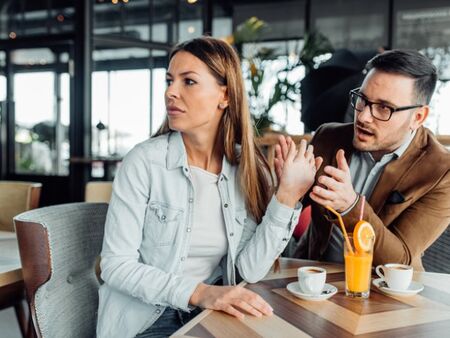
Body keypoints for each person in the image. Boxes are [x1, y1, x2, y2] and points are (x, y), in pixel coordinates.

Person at [96, 36, 321, 338]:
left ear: (224, 96)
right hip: (146, 316)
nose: (170, 92)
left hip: (211, 310)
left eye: (188, 81)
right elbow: (115, 266)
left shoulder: (248, 168)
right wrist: (200, 293)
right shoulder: (144, 162)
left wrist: (287, 197)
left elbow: (250, 270)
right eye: (169, 80)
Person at [276, 49, 450, 270]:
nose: (364, 117)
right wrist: (285, 188)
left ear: (418, 117)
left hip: (385, 292)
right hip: (311, 279)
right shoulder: (328, 137)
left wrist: (351, 207)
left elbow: (400, 260)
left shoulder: (442, 171)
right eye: (362, 100)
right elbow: (280, 210)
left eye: (384, 108)